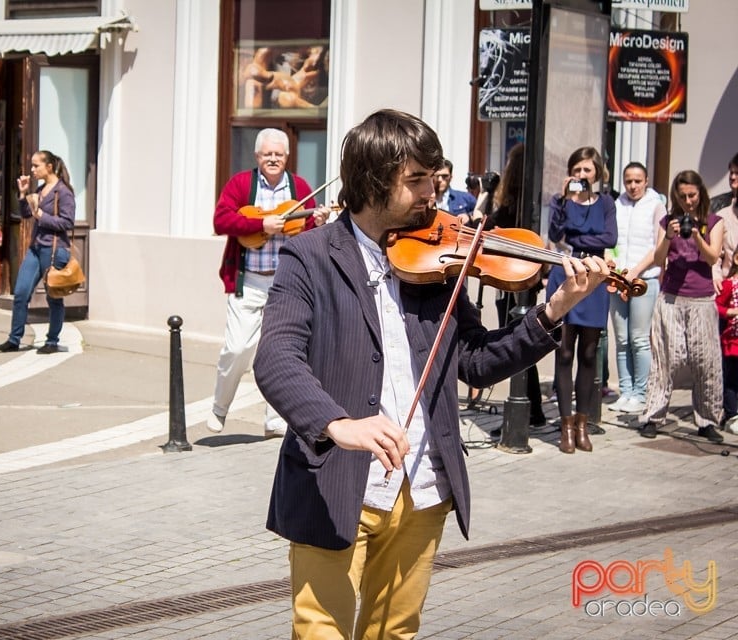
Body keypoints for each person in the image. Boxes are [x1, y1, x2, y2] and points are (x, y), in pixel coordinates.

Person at [252, 109, 610, 639]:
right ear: (374, 182)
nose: (432, 195)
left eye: (434, 179)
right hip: (335, 483)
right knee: (320, 631)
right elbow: (277, 357)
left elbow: (476, 360)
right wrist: (337, 423)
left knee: (393, 634)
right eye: (417, 181)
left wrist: (553, 309)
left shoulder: (437, 261)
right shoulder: (310, 257)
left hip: (422, 487)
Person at [207, 128, 329, 438]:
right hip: (248, 282)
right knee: (237, 348)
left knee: (281, 351)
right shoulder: (241, 184)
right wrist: (260, 224)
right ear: (258, 156)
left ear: (287, 157)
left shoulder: (300, 187)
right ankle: (220, 407)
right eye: (267, 154)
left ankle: (275, 420)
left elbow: (309, 231)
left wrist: (319, 221)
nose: (273, 159)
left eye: (279, 154)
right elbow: (221, 220)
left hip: (285, 284)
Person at [640, 170, 725, 441]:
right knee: (666, 359)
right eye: (682, 196)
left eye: (692, 195)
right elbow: (658, 258)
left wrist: (697, 234)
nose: (688, 201)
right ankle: (653, 416)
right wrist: (669, 236)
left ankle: (708, 420)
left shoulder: (715, 221)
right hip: (671, 298)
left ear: (700, 194)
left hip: (701, 300)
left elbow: (713, 259)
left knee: (705, 362)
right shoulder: (668, 221)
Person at [546, 146, 617, 454]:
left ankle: (582, 424)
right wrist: (563, 201)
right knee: (563, 352)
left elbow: (609, 239)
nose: (581, 175)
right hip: (565, 275)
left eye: (587, 170)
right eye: (577, 170)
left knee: (589, 353)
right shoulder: (560, 201)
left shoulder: (606, 203)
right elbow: (554, 232)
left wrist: (576, 241)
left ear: (597, 173)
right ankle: (565, 427)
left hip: (595, 277)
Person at [483, 143, 547, 427]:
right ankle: (535, 409)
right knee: (526, 338)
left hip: (511, 277)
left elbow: (485, 225)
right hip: (526, 277)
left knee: (516, 343)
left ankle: (528, 409)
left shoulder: (511, 203)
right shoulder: (535, 202)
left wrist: (488, 193)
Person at [0, 150, 75, 355]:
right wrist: (22, 194)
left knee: (53, 297)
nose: (32, 169)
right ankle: (14, 339)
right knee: (21, 293)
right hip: (36, 248)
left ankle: (52, 341)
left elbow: (67, 222)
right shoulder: (40, 190)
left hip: (54, 249)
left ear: (49, 167)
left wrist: (41, 215)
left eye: (36, 165)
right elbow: (26, 214)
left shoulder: (63, 192)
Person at [606, 162, 664, 414]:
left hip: (644, 280)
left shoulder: (656, 205)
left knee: (639, 338)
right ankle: (626, 391)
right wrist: (615, 270)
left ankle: (641, 393)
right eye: (628, 180)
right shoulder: (617, 205)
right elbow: (612, 242)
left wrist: (636, 271)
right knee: (621, 339)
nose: (633, 186)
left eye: (637, 180)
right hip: (619, 279)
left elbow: (658, 247)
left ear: (646, 180)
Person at [716, 248, 738, 434]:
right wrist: (730, 312)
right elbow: (718, 306)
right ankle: (731, 414)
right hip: (732, 341)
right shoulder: (730, 284)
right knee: (731, 379)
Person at [712, 152, 738, 291]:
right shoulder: (719, 208)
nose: (733, 177)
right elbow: (714, 254)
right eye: (731, 172)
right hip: (728, 288)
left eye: (737, 173)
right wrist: (716, 277)